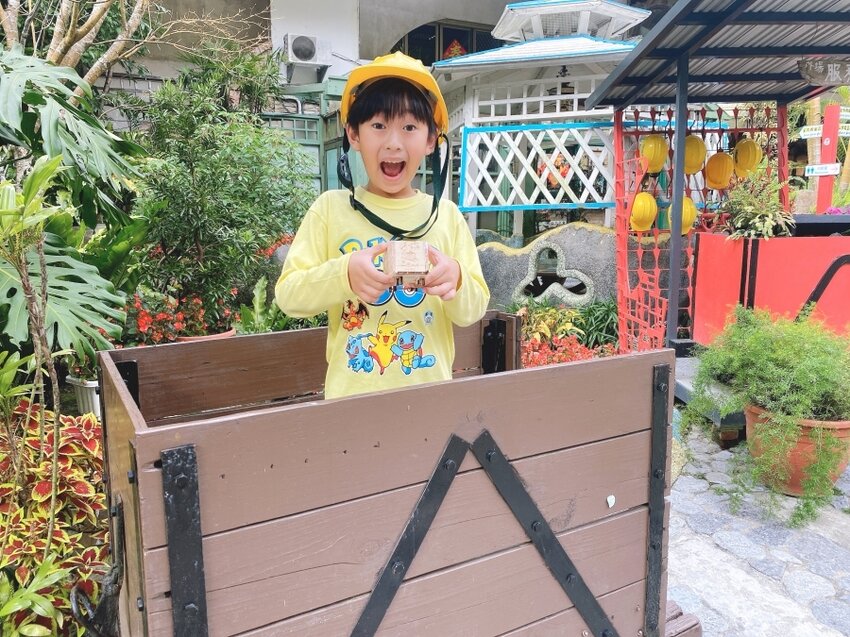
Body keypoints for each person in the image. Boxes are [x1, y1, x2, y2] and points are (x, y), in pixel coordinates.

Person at [275, 52, 490, 399]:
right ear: (353, 134)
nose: (393, 142)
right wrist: (344, 274)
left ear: (431, 140)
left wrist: (457, 279)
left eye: (409, 127)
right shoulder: (330, 210)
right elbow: (288, 295)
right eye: (378, 126)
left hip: (429, 399)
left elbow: (473, 310)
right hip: (350, 403)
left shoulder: (446, 216)